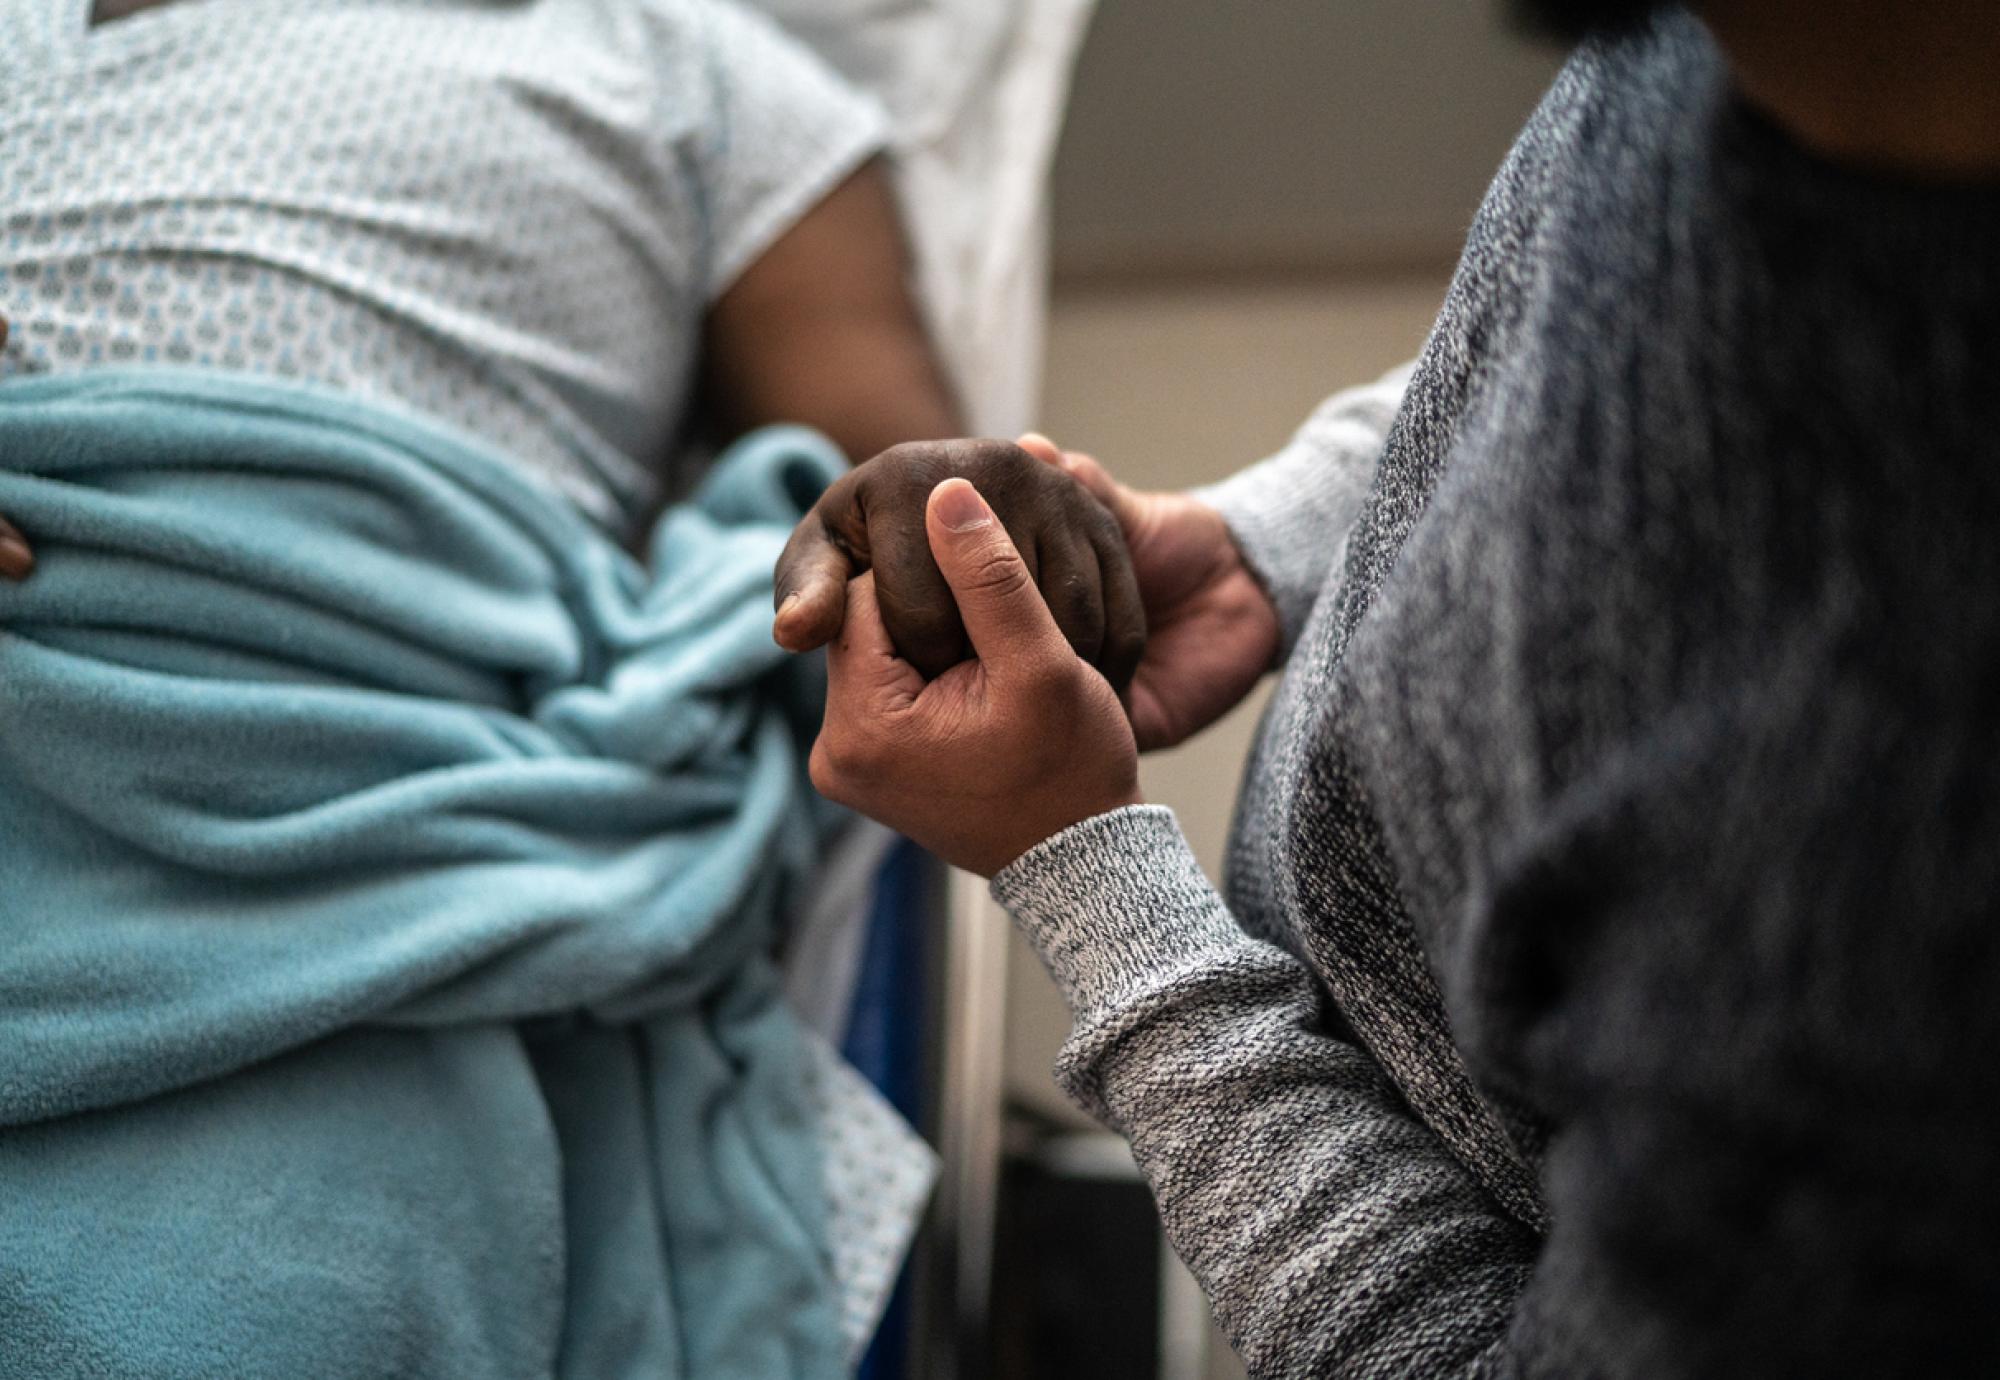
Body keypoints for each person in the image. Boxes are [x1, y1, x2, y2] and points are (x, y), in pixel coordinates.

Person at [781, 0, 2000, 1373]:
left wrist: (1084, 876)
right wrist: (1272, 540)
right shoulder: (1747, 47)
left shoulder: (1903, 909)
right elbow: (1594, 311)